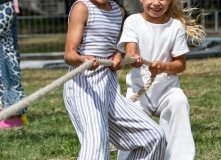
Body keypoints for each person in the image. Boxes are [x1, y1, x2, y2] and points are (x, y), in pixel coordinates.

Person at [63, 0, 167, 159]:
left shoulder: (119, 12)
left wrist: (117, 55)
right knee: (96, 142)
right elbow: (69, 54)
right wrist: (83, 60)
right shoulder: (81, 7)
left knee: (154, 136)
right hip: (83, 87)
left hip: (109, 86)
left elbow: (110, 47)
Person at [116, 0, 206, 160]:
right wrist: (133, 58)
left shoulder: (176, 26)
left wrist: (163, 67)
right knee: (132, 119)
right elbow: (130, 52)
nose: (156, 3)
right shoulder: (133, 21)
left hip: (167, 91)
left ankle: (179, 156)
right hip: (139, 91)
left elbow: (180, 64)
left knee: (179, 101)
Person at [0, 0, 27, 129]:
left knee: (3, 61)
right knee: (7, 56)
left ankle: (12, 116)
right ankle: (13, 111)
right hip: (2, 7)